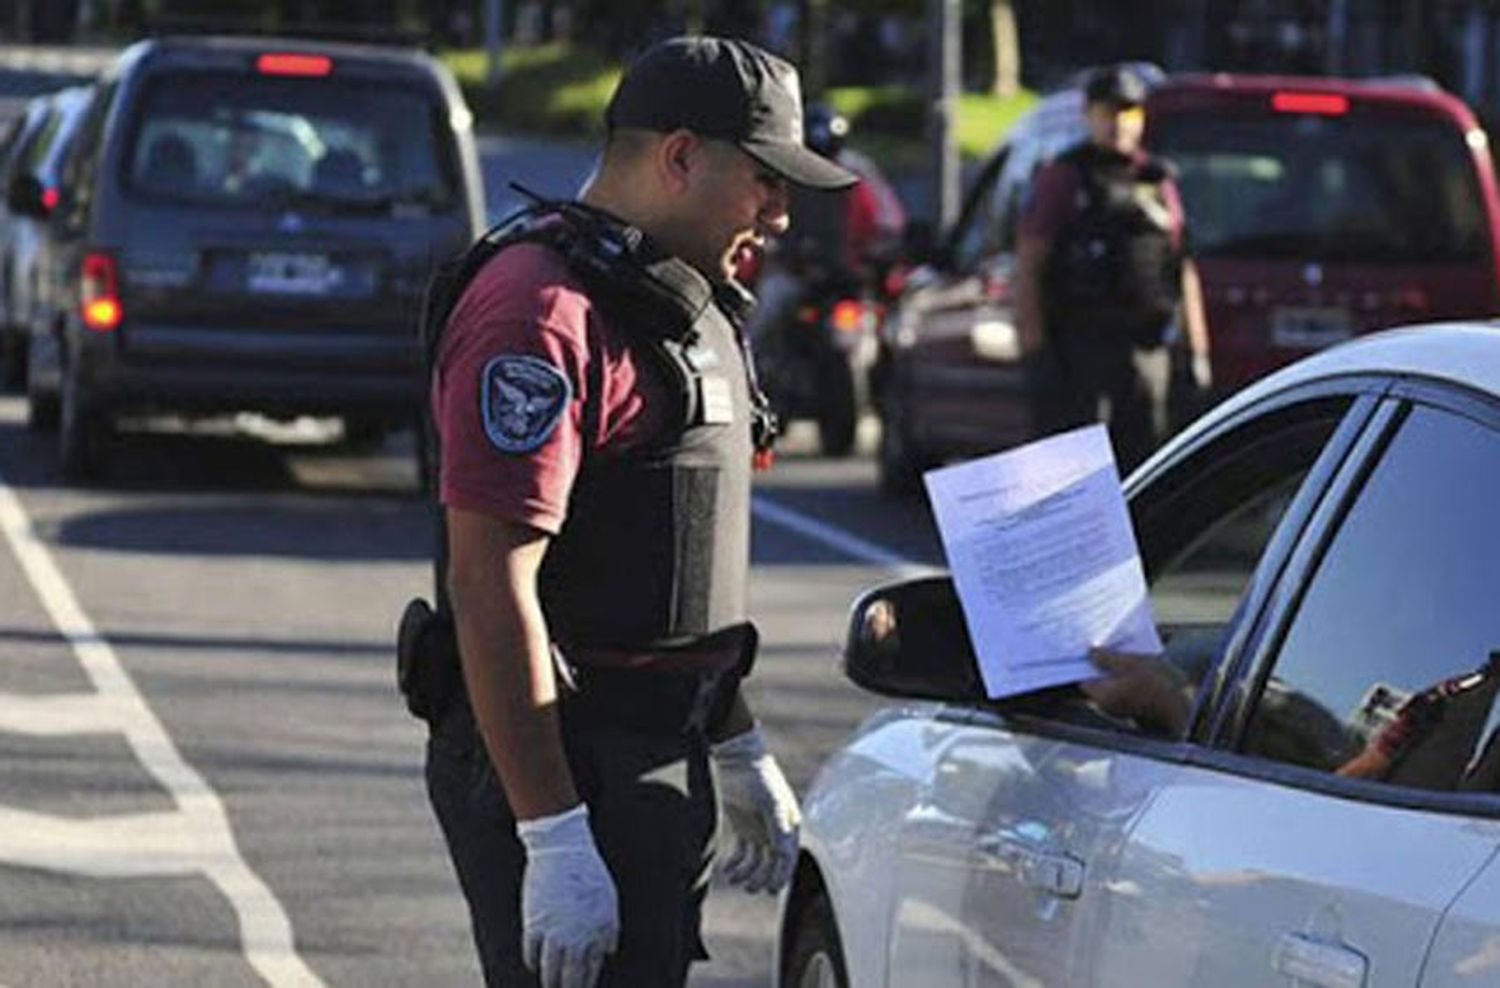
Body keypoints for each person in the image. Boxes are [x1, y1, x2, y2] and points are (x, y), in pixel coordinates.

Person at [411, 36, 857, 988]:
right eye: (766, 180)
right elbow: (490, 581)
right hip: (566, 762)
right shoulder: (540, 312)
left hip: (655, 751)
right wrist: (556, 837)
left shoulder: (677, 302)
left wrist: (734, 739)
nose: (781, 214)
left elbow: (664, 564)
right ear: (682, 156)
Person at [1014, 63, 1212, 473]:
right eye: (1108, 112)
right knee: (1075, 475)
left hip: (1144, 348)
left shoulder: (1157, 181)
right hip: (1078, 350)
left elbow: (1181, 268)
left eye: (1129, 112)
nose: (1118, 123)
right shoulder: (1065, 178)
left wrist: (1196, 351)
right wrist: (1035, 351)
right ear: (1089, 115)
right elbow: (1030, 265)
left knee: (1142, 469)